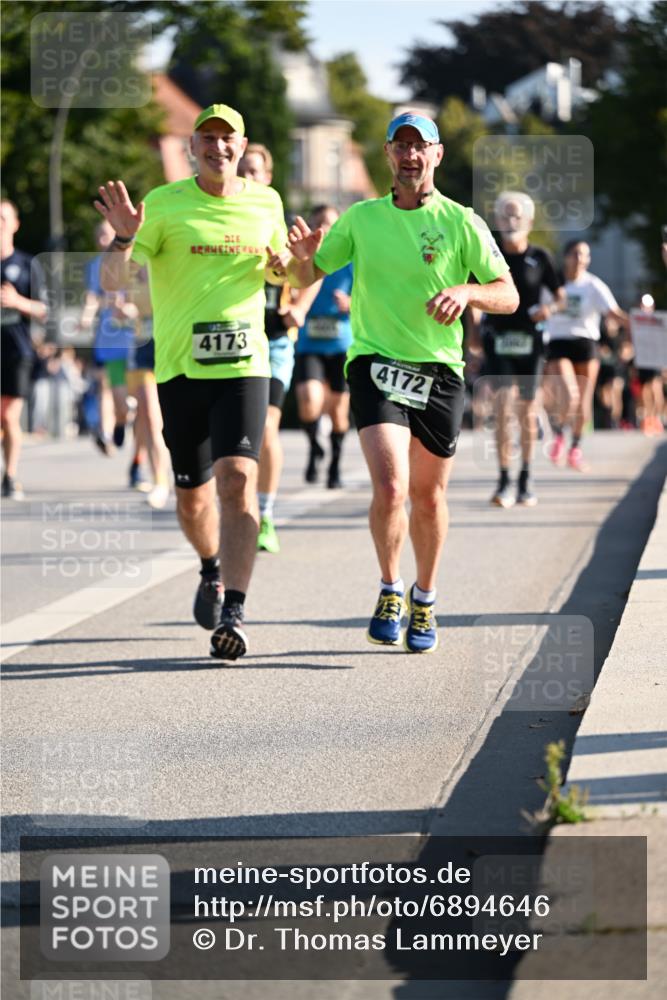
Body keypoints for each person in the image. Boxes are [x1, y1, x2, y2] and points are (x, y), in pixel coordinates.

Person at [286, 111, 518, 653]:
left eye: (421, 147)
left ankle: (425, 597)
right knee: (391, 488)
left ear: (437, 155)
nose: (411, 156)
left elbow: (507, 293)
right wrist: (298, 265)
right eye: (401, 146)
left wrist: (467, 292)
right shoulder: (361, 219)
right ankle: (391, 587)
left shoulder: (462, 222)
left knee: (429, 497)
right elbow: (305, 275)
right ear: (387, 155)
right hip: (374, 365)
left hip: (439, 372)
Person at [95, 104, 288, 660]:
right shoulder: (163, 204)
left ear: (242, 145)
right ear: (193, 146)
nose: (219, 148)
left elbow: (285, 272)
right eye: (208, 138)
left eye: (228, 140)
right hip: (181, 368)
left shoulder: (267, 202)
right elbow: (114, 279)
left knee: (236, 481)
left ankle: (236, 610)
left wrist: (294, 267)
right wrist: (122, 239)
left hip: (245, 366)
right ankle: (210, 570)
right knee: (192, 499)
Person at [473, 191, 562, 507]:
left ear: (529, 221)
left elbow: (559, 296)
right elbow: (475, 295)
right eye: (505, 216)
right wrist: (472, 332)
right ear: (496, 220)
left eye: (516, 216)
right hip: (497, 339)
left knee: (526, 411)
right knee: (501, 408)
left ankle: (526, 476)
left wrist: (547, 310)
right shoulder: (488, 255)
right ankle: (503, 479)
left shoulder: (541, 256)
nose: (511, 222)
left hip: (531, 343)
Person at [237, 143, 296, 554]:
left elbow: (309, 274)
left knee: (267, 427)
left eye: (254, 170)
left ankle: (266, 513)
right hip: (236, 340)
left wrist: (287, 269)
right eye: (242, 170)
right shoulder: (221, 221)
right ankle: (236, 504)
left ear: (268, 177)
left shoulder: (278, 220)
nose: (247, 177)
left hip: (273, 342)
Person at [544, 240, 627, 471]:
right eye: (575, 254)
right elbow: (535, 308)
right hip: (558, 343)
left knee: (583, 399)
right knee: (569, 394)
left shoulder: (593, 285)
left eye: (585, 255)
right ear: (566, 256)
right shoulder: (552, 283)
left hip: (586, 344)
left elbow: (613, 313)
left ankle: (575, 449)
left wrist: (637, 323)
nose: (580, 259)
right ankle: (559, 435)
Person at [294, 205, 353, 489]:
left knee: (339, 412)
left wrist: (352, 303)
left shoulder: (352, 259)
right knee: (308, 401)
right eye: (318, 223)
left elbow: (372, 295)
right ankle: (315, 446)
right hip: (309, 342)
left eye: (330, 223)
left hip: (342, 343)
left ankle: (334, 466)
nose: (324, 228)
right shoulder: (304, 258)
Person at [1, 199, 47, 499]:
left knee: (7, 416)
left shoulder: (27, 264)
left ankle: (10, 474)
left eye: (3, 218)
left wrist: (18, 302)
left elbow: (46, 309)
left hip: (16, 352)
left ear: (15, 224)